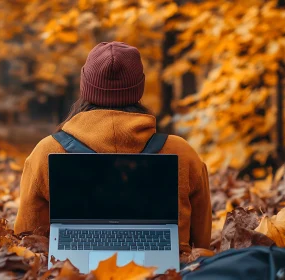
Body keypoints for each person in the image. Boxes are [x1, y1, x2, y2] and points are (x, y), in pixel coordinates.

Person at [14, 41, 212, 250]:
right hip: (166, 269)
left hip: (70, 268)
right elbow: (202, 243)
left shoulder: (46, 152)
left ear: (86, 85)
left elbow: (26, 240)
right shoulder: (181, 152)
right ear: (139, 88)